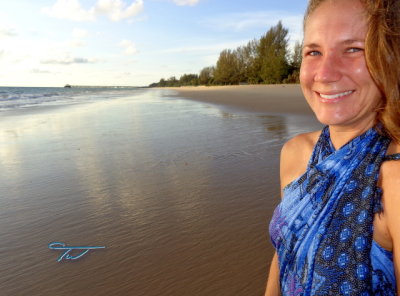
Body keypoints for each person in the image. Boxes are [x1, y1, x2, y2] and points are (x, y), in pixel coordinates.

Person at [265, 0, 400, 295]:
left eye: (353, 49)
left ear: (391, 57)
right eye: (313, 52)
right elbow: (285, 249)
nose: (324, 74)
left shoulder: (395, 179)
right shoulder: (295, 151)